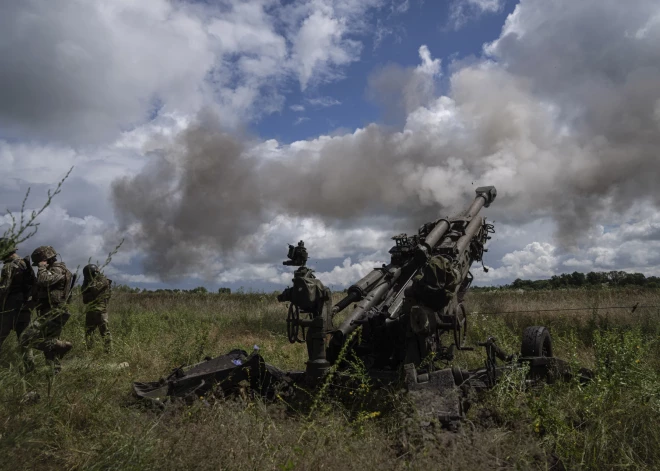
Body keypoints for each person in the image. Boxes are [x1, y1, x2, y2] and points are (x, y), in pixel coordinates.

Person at [19, 245, 73, 373]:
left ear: (45, 259)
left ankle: (62, 345)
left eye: (39, 262)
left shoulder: (58, 269)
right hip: (53, 311)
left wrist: (42, 267)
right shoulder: (56, 270)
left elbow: (44, 281)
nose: (38, 265)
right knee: (49, 350)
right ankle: (53, 373)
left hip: (53, 312)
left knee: (25, 339)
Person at [0, 238, 35, 368]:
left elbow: (4, 288)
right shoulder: (24, 263)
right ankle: (30, 368)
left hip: (10, 307)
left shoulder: (9, 265)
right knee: (25, 340)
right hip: (24, 306)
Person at [82, 264, 112, 352]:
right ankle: (90, 350)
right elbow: (84, 295)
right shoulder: (89, 282)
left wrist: (89, 282)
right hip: (91, 310)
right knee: (88, 332)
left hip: (100, 311)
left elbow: (95, 289)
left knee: (105, 332)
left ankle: (108, 352)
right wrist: (86, 282)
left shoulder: (103, 280)